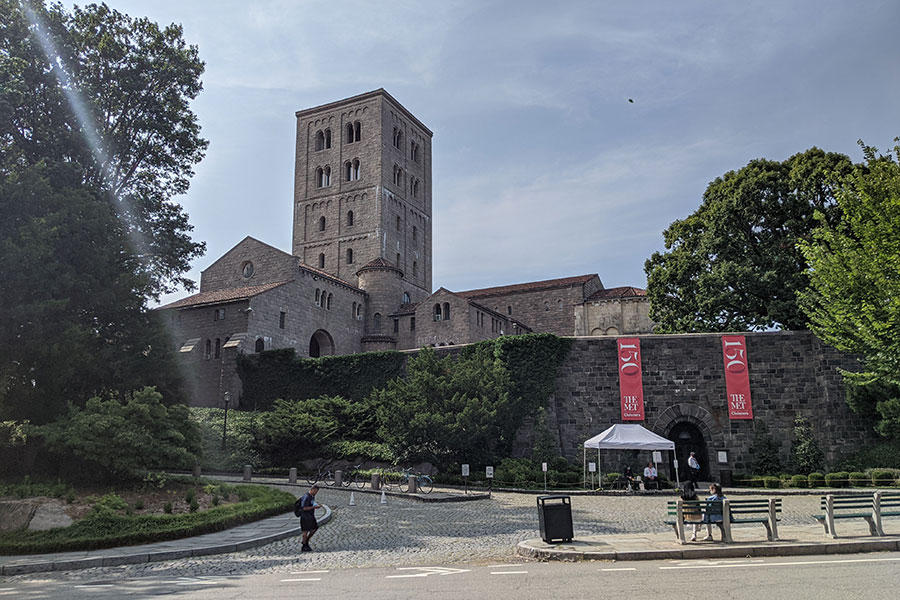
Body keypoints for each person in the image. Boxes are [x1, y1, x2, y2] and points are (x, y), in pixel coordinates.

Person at [298, 484, 324, 552]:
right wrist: (314, 507)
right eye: (315, 491)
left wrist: (315, 505)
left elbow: (311, 503)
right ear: (312, 489)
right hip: (305, 516)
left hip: (310, 516)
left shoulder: (312, 496)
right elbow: (304, 508)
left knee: (314, 528)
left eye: (316, 492)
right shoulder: (306, 497)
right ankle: (304, 545)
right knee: (305, 531)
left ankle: (306, 541)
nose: (315, 493)